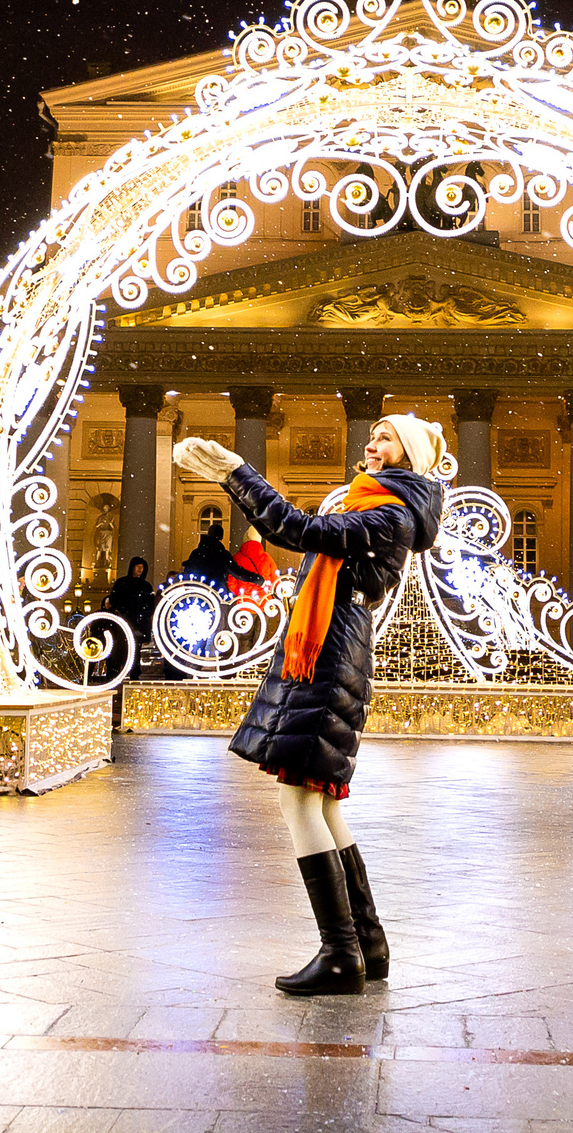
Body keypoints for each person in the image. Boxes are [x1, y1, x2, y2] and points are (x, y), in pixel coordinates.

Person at [174, 416, 445, 998]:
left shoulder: (390, 513)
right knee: (318, 800)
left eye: (386, 439)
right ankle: (367, 943)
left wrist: (235, 472)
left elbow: (296, 530)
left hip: (329, 654)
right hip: (330, 644)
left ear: (409, 455)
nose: (371, 444)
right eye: (370, 435)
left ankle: (340, 953)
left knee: (299, 798)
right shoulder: (375, 503)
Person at [106, 555, 157, 664]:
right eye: (138, 566)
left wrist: (145, 617)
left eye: (142, 567)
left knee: (135, 650)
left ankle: (132, 672)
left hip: (138, 623)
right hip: (125, 621)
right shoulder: (122, 583)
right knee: (122, 648)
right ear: (132, 567)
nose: (140, 569)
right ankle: (122, 670)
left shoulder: (146, 586)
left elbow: (150, 605)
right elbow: (114, 600)